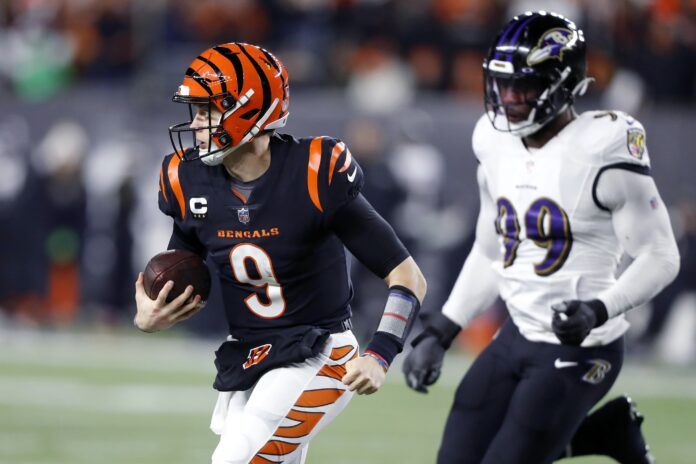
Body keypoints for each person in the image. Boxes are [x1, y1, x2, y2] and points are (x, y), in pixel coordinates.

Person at [402, 11, 679, 464]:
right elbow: (492, 249)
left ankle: (604, 432)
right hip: (517, 334)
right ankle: (607, 432)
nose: (508, 98)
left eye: (524, 86)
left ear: (564, 83)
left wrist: (598, 308)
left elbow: (661, 255)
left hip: (583, 347)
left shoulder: (601, 147)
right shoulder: (492, 140)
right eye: (502, 84)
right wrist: (444, 327)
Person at [133, 42, 426, 464]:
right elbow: (179, 267)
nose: (195, 125)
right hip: (250, 355)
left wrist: (381, 352)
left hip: (319, 353)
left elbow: (407, 277)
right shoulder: (188, 181)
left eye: (207, 110)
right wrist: (149, 311)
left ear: (250, 111)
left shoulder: (314, 173)